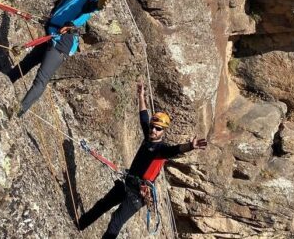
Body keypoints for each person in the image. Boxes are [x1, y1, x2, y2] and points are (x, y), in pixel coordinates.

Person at [77, 81, 208, 238]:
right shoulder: (148, 137)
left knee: (115, 222)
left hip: (137, 195)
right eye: (153, 127)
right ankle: (79, 225)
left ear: (163, 131)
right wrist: (140, 96)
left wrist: (190, 146)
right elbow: (144, 117)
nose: (153, 130)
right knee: (102, 205)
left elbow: (175, 150)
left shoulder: (161, 150)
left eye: (158, 129)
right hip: (128, 183)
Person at [7, 0, 100, 117]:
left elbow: (91, 7)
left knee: (41, 79)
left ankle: (16, 112)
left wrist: (100, 3)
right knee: (26, 63)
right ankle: (4, 82)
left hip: (62, 41)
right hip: (53, 34)